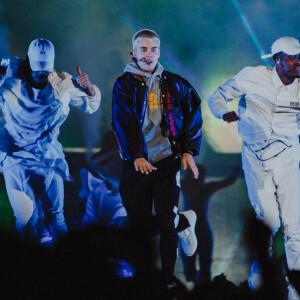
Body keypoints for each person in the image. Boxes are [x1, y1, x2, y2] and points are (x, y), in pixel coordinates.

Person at [207, 36, 300, 299]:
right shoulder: (253, 76)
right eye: (291, 57)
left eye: (299, 56)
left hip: (288, 158)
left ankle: (295, 285)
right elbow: (218, 96)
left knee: (295, 226)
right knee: (267, 220)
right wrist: (224, 112)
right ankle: (262, 273)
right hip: (256, 158)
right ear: (277, 60)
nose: (297, 61)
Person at [112, 29, 203, 286]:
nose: (148, 54)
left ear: (159, 52)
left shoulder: (174, 82)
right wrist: (136, 155)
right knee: (140, 226)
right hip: (137, 164)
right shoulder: (124, 84)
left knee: (165, 222)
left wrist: (187, 150)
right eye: (143, 49)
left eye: (153, 50)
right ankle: (184, 221)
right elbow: (123, 122)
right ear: (134, 52)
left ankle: (166, 281)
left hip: (167, 160)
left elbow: (193, 113)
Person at [0, 38, 101, 245]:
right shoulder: (9, 73)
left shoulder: (62, 84)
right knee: (28, 220)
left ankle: (65, 270)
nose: (41, 75)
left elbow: (90, 105)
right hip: (15, 157)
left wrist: (89, 88)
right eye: (37, 69)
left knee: (57, 220)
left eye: (45, 71)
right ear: (28, 61)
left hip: (48, 157)